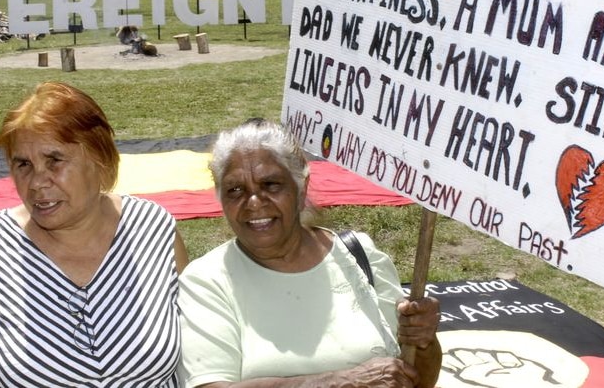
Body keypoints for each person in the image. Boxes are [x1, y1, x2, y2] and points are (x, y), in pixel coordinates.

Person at [0, 81, 189, 387]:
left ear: (100, 160)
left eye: (55, 161)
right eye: (23, 164)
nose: (37, 183)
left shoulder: (153, 229)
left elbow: (198, 362)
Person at [178, 119, 442, 388]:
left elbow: (418, 380)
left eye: (270, 184)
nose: (254, 202)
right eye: (235, 190)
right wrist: (343, 381)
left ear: (301, 188)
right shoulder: (206, 281)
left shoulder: (359, 255)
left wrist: (423, 339)